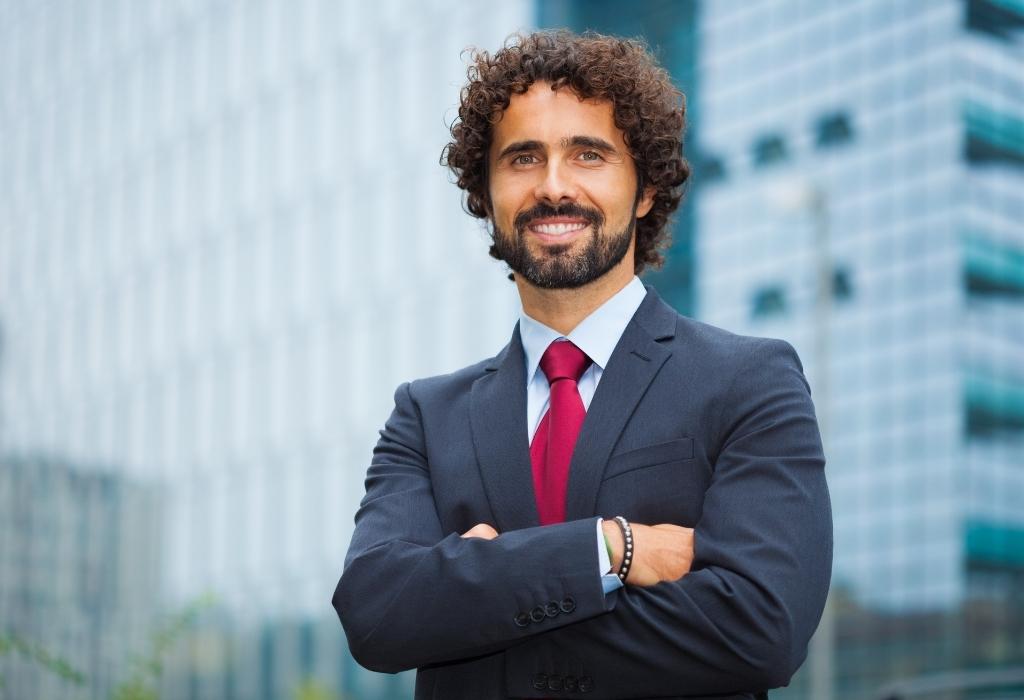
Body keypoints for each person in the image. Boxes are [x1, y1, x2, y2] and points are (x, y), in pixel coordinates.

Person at [333, 31, 831, 700]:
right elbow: (376, 614)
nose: (553, 186)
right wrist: (609, 550)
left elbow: (759, 630)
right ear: (486, 193)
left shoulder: (748, 382)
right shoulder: (426, 416)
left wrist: (476, 610)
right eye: (522, 158)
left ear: (646, 189)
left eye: (588, 155)